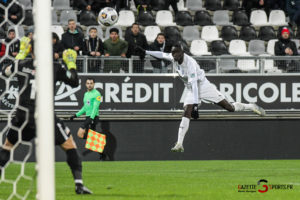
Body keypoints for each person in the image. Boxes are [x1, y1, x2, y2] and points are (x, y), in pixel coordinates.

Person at [0, 38, 92, 194]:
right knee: (69, 145)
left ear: (31, 51)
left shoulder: (21, 65)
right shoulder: (54, 67)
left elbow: (4, 72)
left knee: (7, 146)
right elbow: (75, 82)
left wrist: (21, 54)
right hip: (45, 117)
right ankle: (79, 184)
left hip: (23, 117)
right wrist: (71, 63)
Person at [144, 44, 266, 152]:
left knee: (229, 107)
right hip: (191, 89)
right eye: (173, 54)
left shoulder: (190, 63)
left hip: (203, 86)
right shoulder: (173, 57)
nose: (174, 56)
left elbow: (195, 85)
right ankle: (179, 143)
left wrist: (196, 105)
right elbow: (161, 54)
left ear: (182, 53)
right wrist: (146, 52)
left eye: (176, 53)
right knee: (187, 110)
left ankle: (250, 106)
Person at [70, 78, 105, 160]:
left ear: (94, 84)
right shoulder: (86, 94)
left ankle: (100, 147)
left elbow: (95, 108)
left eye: (91, 83)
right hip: (88, 117)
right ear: (86, 84)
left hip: (93, 117)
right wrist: (76, 115)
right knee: (90, 136)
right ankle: (102, 152)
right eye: (88, 83)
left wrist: (91, 118)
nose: (89, 85)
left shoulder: (97, 94)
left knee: (80, 133)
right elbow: (85, 107)